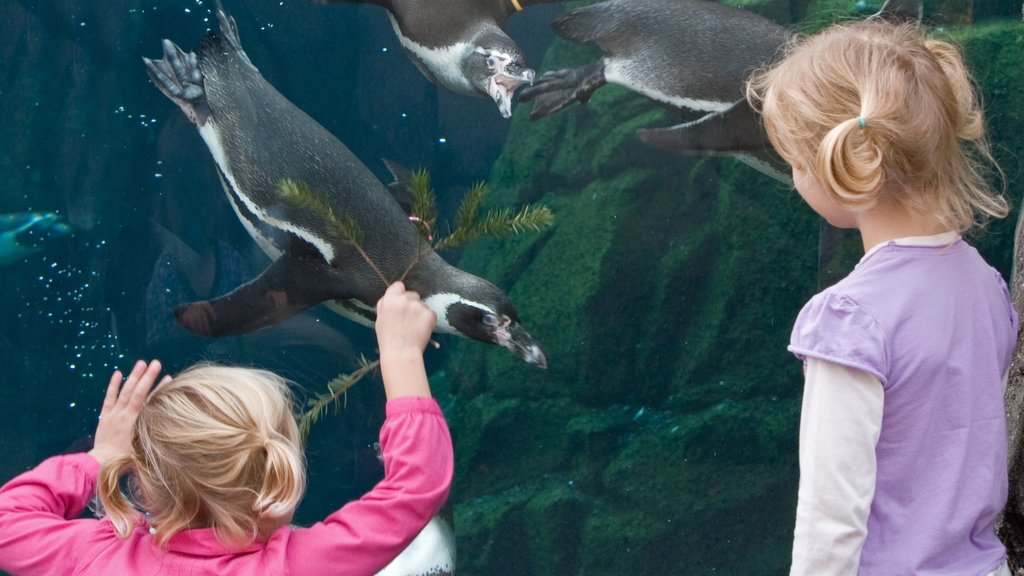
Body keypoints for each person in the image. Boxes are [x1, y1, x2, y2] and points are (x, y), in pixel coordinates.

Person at [746, 20, 1018, 576]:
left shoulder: (849, 320)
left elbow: (832, 518)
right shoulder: (985, 284)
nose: (794, 176)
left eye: (794, 161)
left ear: (845, 163)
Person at [0, 281, 452, 576]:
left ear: (143, 485)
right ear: (283, 470)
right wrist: (401, 355)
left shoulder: (100, 556)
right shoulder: (298, 566)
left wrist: (96, 460)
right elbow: (417, 486)